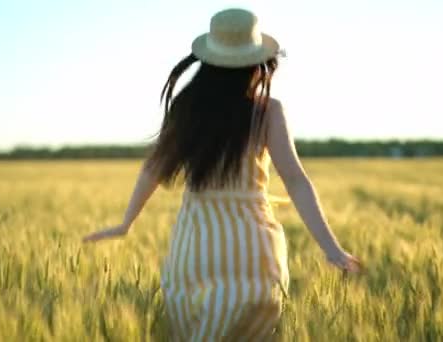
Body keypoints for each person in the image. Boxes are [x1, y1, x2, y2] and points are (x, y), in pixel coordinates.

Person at [83, 8, 361, 341]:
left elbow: (153, 169)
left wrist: (126, 222)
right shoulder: (267, 111)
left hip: (195, 246)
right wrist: (332, 249)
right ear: (258, 64)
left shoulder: (186, 108)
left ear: (208, 63)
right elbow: (296, 180)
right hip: (252, 249)